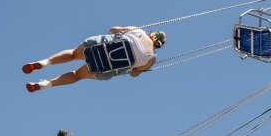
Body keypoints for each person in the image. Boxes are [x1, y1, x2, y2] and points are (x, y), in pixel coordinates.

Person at [23, 26, 166, 92]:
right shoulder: (151, 59)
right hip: (103, 67)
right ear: (158, 46)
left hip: (98, 47)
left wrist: (120, 30)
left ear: (152, 33)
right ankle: (44, 85)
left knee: (73, 54)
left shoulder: (139, 31)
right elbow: (134, 73)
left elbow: (114, 29)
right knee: (76, 75)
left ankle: (44, 63)